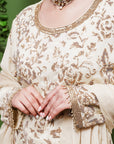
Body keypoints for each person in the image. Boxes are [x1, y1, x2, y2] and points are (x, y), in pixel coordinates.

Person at [0, 0, 114, 143]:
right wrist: (14, 95)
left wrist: (80, 96)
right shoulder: (24, 19)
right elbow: (4, 82)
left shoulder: (109, 12)